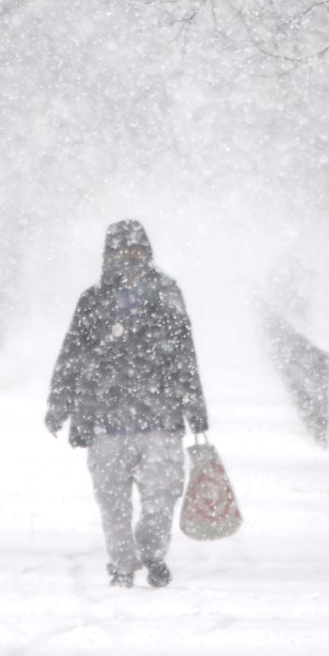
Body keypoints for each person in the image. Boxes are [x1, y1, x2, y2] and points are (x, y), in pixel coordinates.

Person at [46, 219, 209, 588]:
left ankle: (151, 552)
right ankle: (121, 562)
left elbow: (185, 354)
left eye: (137, 251)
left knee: (162, 496)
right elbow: (72, 354)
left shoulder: (167, 294)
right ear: (109, 256)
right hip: (106, 417)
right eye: (122, 252)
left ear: (147, 253)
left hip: (160, 416)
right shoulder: (92, 301)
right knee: (112, 501)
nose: (130, 259)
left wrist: (194, 406)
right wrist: (60, 403)